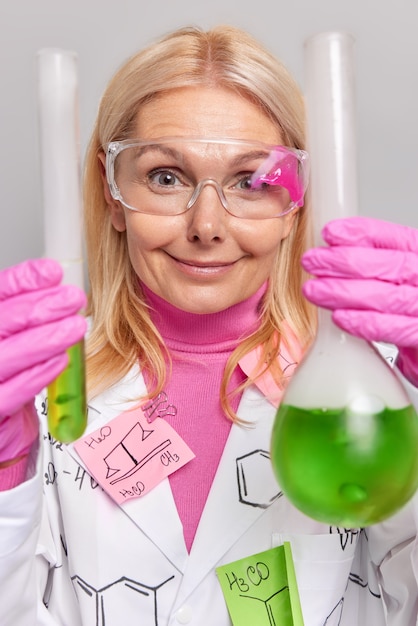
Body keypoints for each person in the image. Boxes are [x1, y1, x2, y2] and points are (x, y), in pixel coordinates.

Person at [0, 24, 418, 626]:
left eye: (251, 182)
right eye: (166, 177)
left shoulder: (374, 391)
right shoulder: (40, 396)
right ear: (113, 194)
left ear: (295, 201)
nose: (207, 225)